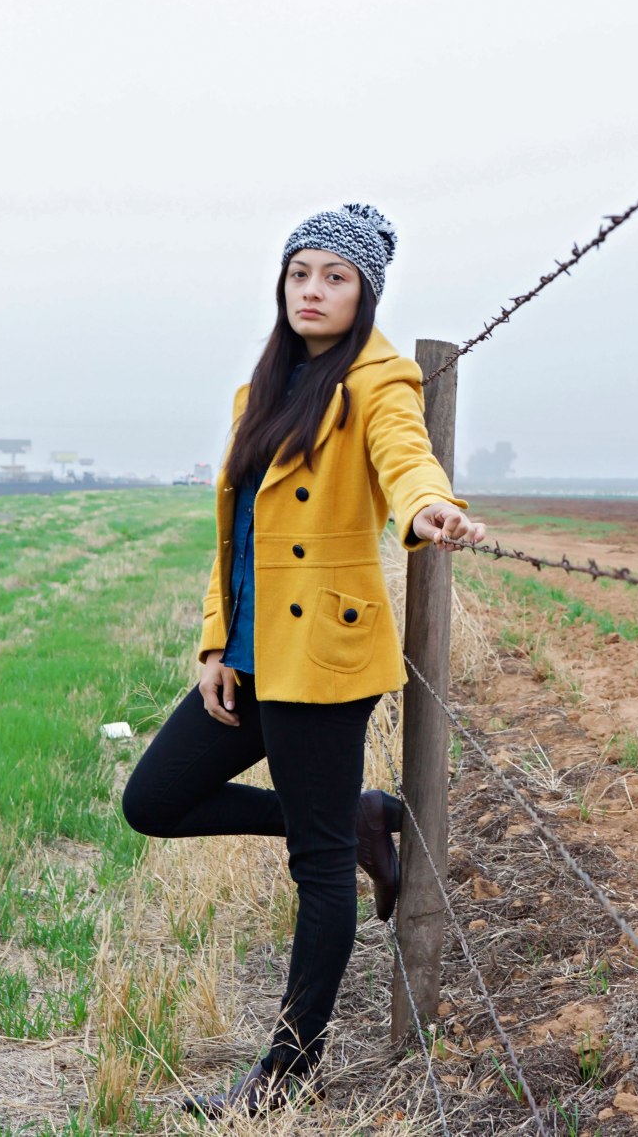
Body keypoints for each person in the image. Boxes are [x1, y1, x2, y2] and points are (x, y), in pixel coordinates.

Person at [121, 203, 486, 1117]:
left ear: (365, 294)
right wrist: (216, 642)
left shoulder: (379, 379)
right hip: (250, 657)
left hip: (322, 656)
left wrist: (428, 507)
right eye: (300, 273)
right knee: (153, 801)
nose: (312, 291)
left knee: (317, 873)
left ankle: (285, 1075)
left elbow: (405, 457)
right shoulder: (262, 392)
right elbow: (236, 536)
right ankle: (353, 819)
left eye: (335, 277)